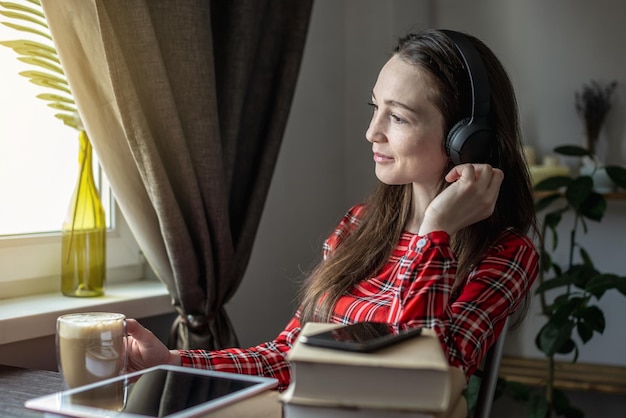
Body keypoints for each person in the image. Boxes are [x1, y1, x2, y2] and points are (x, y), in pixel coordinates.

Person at [125, 28, 539, 392]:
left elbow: (419, 379)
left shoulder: (507, 254)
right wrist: (172, 361)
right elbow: (289, 355)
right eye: (375, 108)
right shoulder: (359, 225)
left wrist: (436, 232)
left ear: (465, 140)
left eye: (397, 117)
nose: (371, 132)